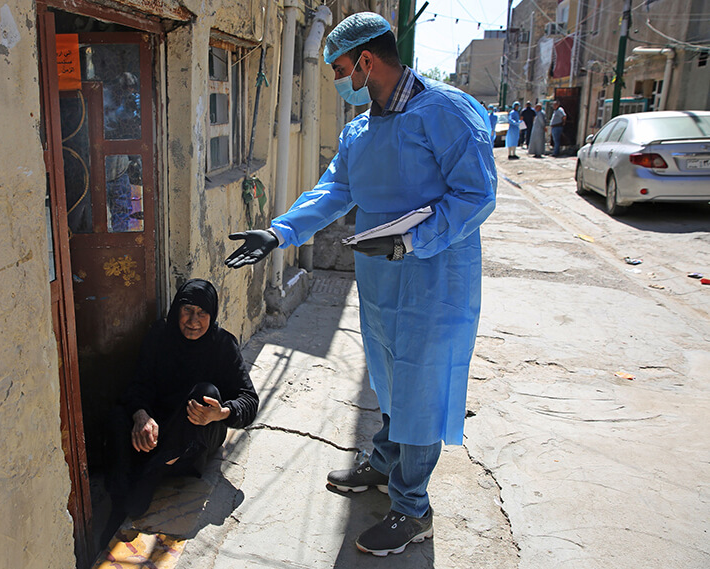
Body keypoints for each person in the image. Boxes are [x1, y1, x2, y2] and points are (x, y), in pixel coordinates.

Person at [223, 12, 496, 557]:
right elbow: (335, 191)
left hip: (434, 279)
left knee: (419, 388)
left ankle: (412, 509)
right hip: (379, 281)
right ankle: (386, 462)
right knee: (390, 378)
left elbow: (475, 196)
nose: (337, 79)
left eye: (341, 68)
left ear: (367, 61)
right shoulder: (361, 128)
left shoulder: (445, 112)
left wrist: (411, 242)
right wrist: (279, 233)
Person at [102, 279, 259, 546]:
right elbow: (139, 383)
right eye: (187, 310)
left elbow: (249, 400)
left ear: (212, 315)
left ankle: (152, 472)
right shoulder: (160, 335)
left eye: (202, 313)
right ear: (176, 310)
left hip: (195, 442)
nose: (193, 321)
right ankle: (120, 497)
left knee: (205, 391)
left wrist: (221, 413)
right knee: (119, 415)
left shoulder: (222, 344)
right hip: (160, 428)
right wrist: (142, 414)